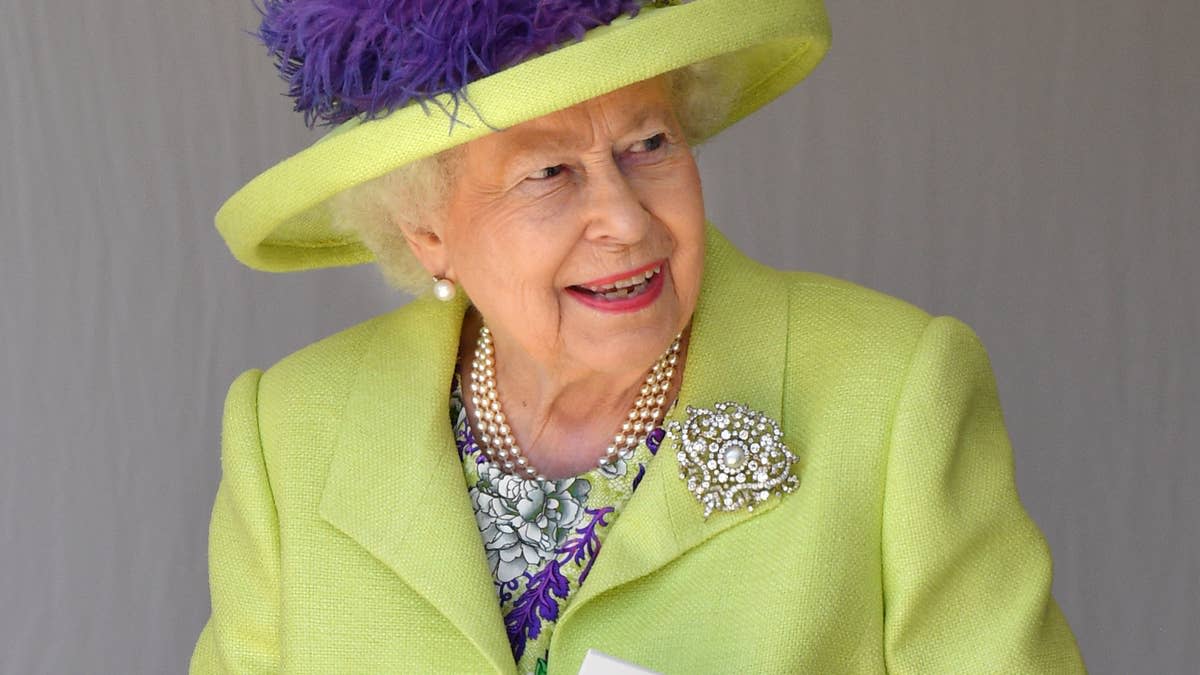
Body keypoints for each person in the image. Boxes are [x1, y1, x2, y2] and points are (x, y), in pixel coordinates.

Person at [191, 1, 1086, 673]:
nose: (625, 218)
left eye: (649, 143)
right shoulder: (289, 432)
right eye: (548, 173)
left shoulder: (894, 394)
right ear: (428, 230)